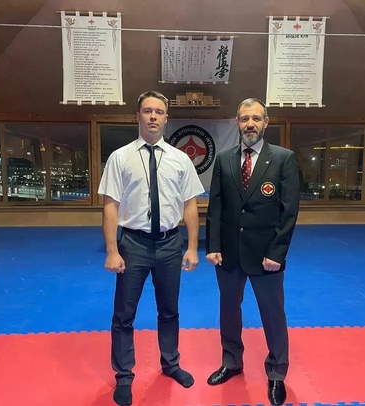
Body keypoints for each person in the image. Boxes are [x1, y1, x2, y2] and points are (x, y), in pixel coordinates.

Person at [98, 90, 205, 406]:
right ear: (138, 116)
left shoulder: (180, 159)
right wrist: (112, 250)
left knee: (169, 310)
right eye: (147, 111)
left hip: (171, 244)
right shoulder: (120, 157)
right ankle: (124, 375)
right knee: (124, 314)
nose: (153, 116)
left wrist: (192, 247)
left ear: (166, 118)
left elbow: (190, 205)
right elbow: (110, 206)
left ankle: (170, 364)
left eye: (159, 111)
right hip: (133, 244)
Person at [205, 98, 300, 405]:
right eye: (245, 118)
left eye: (256, 119)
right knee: (229, 310)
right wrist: (213, 245)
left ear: (266, 123)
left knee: (272, 314)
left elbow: (289, 212)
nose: (250, 124)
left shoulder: (283, 159)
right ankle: (231, 361)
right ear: (237, 123)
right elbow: (215, 206)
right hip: (229, 253)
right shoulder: (224, 159)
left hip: (266, 255)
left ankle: (277, 372)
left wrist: (277, 253)